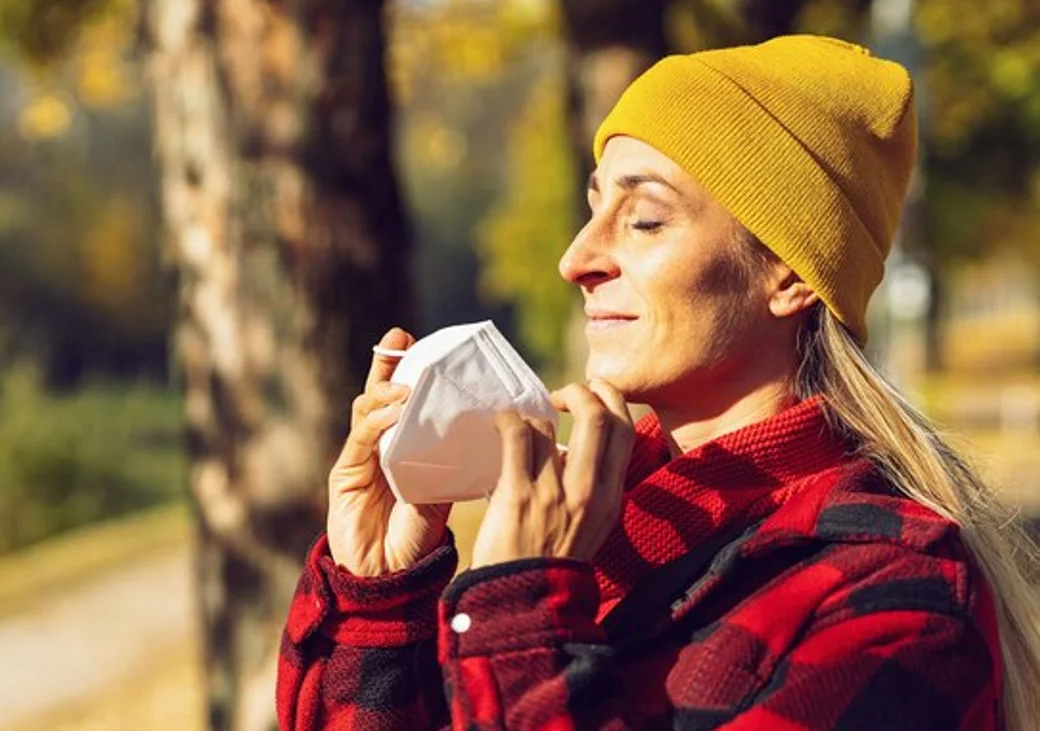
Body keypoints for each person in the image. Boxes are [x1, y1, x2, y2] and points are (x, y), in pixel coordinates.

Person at [276, 36, 1040, 730]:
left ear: (789, 274)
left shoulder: (899, 599)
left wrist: (521, 607)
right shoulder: (601, 532)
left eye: (643, 220)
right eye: (593, 206)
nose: (577, 258)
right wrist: (378, 602)